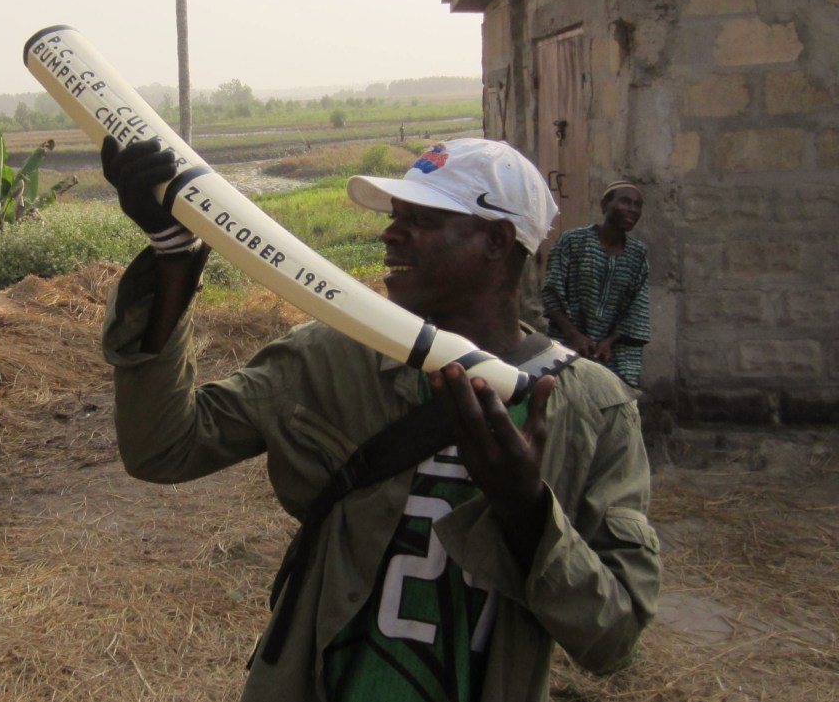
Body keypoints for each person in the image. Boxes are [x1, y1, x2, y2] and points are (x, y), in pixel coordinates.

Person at [100, 137, 660, 702]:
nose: (390, 234)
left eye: (421, 219)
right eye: (395, 216)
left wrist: (528, 510)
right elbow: (164, 448)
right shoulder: (330, 356)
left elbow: (613, 640)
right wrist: (173, 256)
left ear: (496, 240)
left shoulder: (593, 408)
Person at [541, 182, 651, 389]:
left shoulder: (638, 255)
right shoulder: (573, 241)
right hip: (567, 341)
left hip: (615, 351)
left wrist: (609, 342)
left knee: (614, 397)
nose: (632, 209)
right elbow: (551, 294)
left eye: (638, 205)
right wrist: (574, 336)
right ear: (604, 205)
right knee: (562, 394)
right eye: (625, 202)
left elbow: (637, 310)